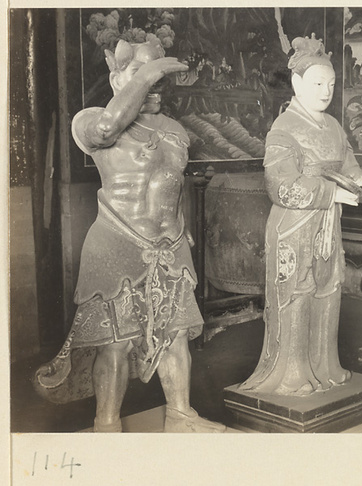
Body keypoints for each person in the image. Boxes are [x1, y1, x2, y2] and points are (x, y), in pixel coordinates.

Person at [35, 39, 226, 433]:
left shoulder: (175, 130)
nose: (153, 87)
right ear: (116, 76)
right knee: (116, 342)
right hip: (118, 243)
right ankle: (107, 424)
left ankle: (180, 414)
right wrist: (148, 74)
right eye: (141, 75)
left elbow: (173, 186)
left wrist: (183, 230)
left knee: (176, 337)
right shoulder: (91, 120)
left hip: (170, 246)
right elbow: (107, 128)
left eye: (158, 79)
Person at [239, 34, 362, 396]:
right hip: (294, 225)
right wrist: (330, 192)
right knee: (298, 292)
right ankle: (292, 372)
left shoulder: (332, 126)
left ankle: (325, 365)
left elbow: (346, 159)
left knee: (329, 288)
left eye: (330, 84)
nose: (326, 91)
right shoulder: (284, 128)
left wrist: (355, 179)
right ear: (296, 83)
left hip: (327, 224)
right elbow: (280, 185)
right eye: (317, 84)